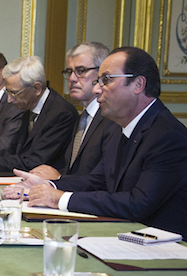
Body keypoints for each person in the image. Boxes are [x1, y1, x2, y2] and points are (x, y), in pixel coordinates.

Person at [13, 47, 187, 238]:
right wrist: (49, 185)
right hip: (124, 236)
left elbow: (138, 204)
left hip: (164, 252)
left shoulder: (168, 136)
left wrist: (61, 199)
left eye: (106, 80)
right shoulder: (121, 128)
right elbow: (96, 181)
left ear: (138, 84)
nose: (97, 89)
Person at [0, 56, 78, 173]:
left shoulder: (61, 113)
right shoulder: (26, 106)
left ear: (36, 89)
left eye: (15, 93)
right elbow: (12, 151)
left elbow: (34, 162)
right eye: (7, 92)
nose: (9, 100)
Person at [31, 42, 120, 179]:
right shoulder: (81, 118)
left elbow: (102, 180)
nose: (72, 79)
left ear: (101, 74)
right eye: (69, 72)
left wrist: (59, 178)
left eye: (81, 71)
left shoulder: (113, 119)